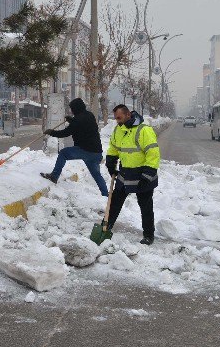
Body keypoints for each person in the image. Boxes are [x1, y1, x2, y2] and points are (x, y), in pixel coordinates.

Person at [104, 104, 161, 245]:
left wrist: (147, 174)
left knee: (145, 206)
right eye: (116, 118)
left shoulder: (144, 130)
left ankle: (148, 235)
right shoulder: (118, 129)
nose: (117, 121)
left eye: (119, 117)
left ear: (128, 115)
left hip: (143, 175)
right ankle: (105, 227)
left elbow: (153, 153)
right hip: (125, 174)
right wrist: (111, 162)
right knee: (114, 202)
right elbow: (114, 147)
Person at [40, 98, 108, 197]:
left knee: (63, 153)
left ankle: (54, 176)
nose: (71, 111)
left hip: (85, 150)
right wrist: (71, 120)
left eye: (72, 108)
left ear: (76, 108)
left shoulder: (77, 120)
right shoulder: (90, 115)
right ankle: (106, 195)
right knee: (97, 175)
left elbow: (65, 133)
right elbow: (82, 126)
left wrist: (51, 132)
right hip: (96, 153)